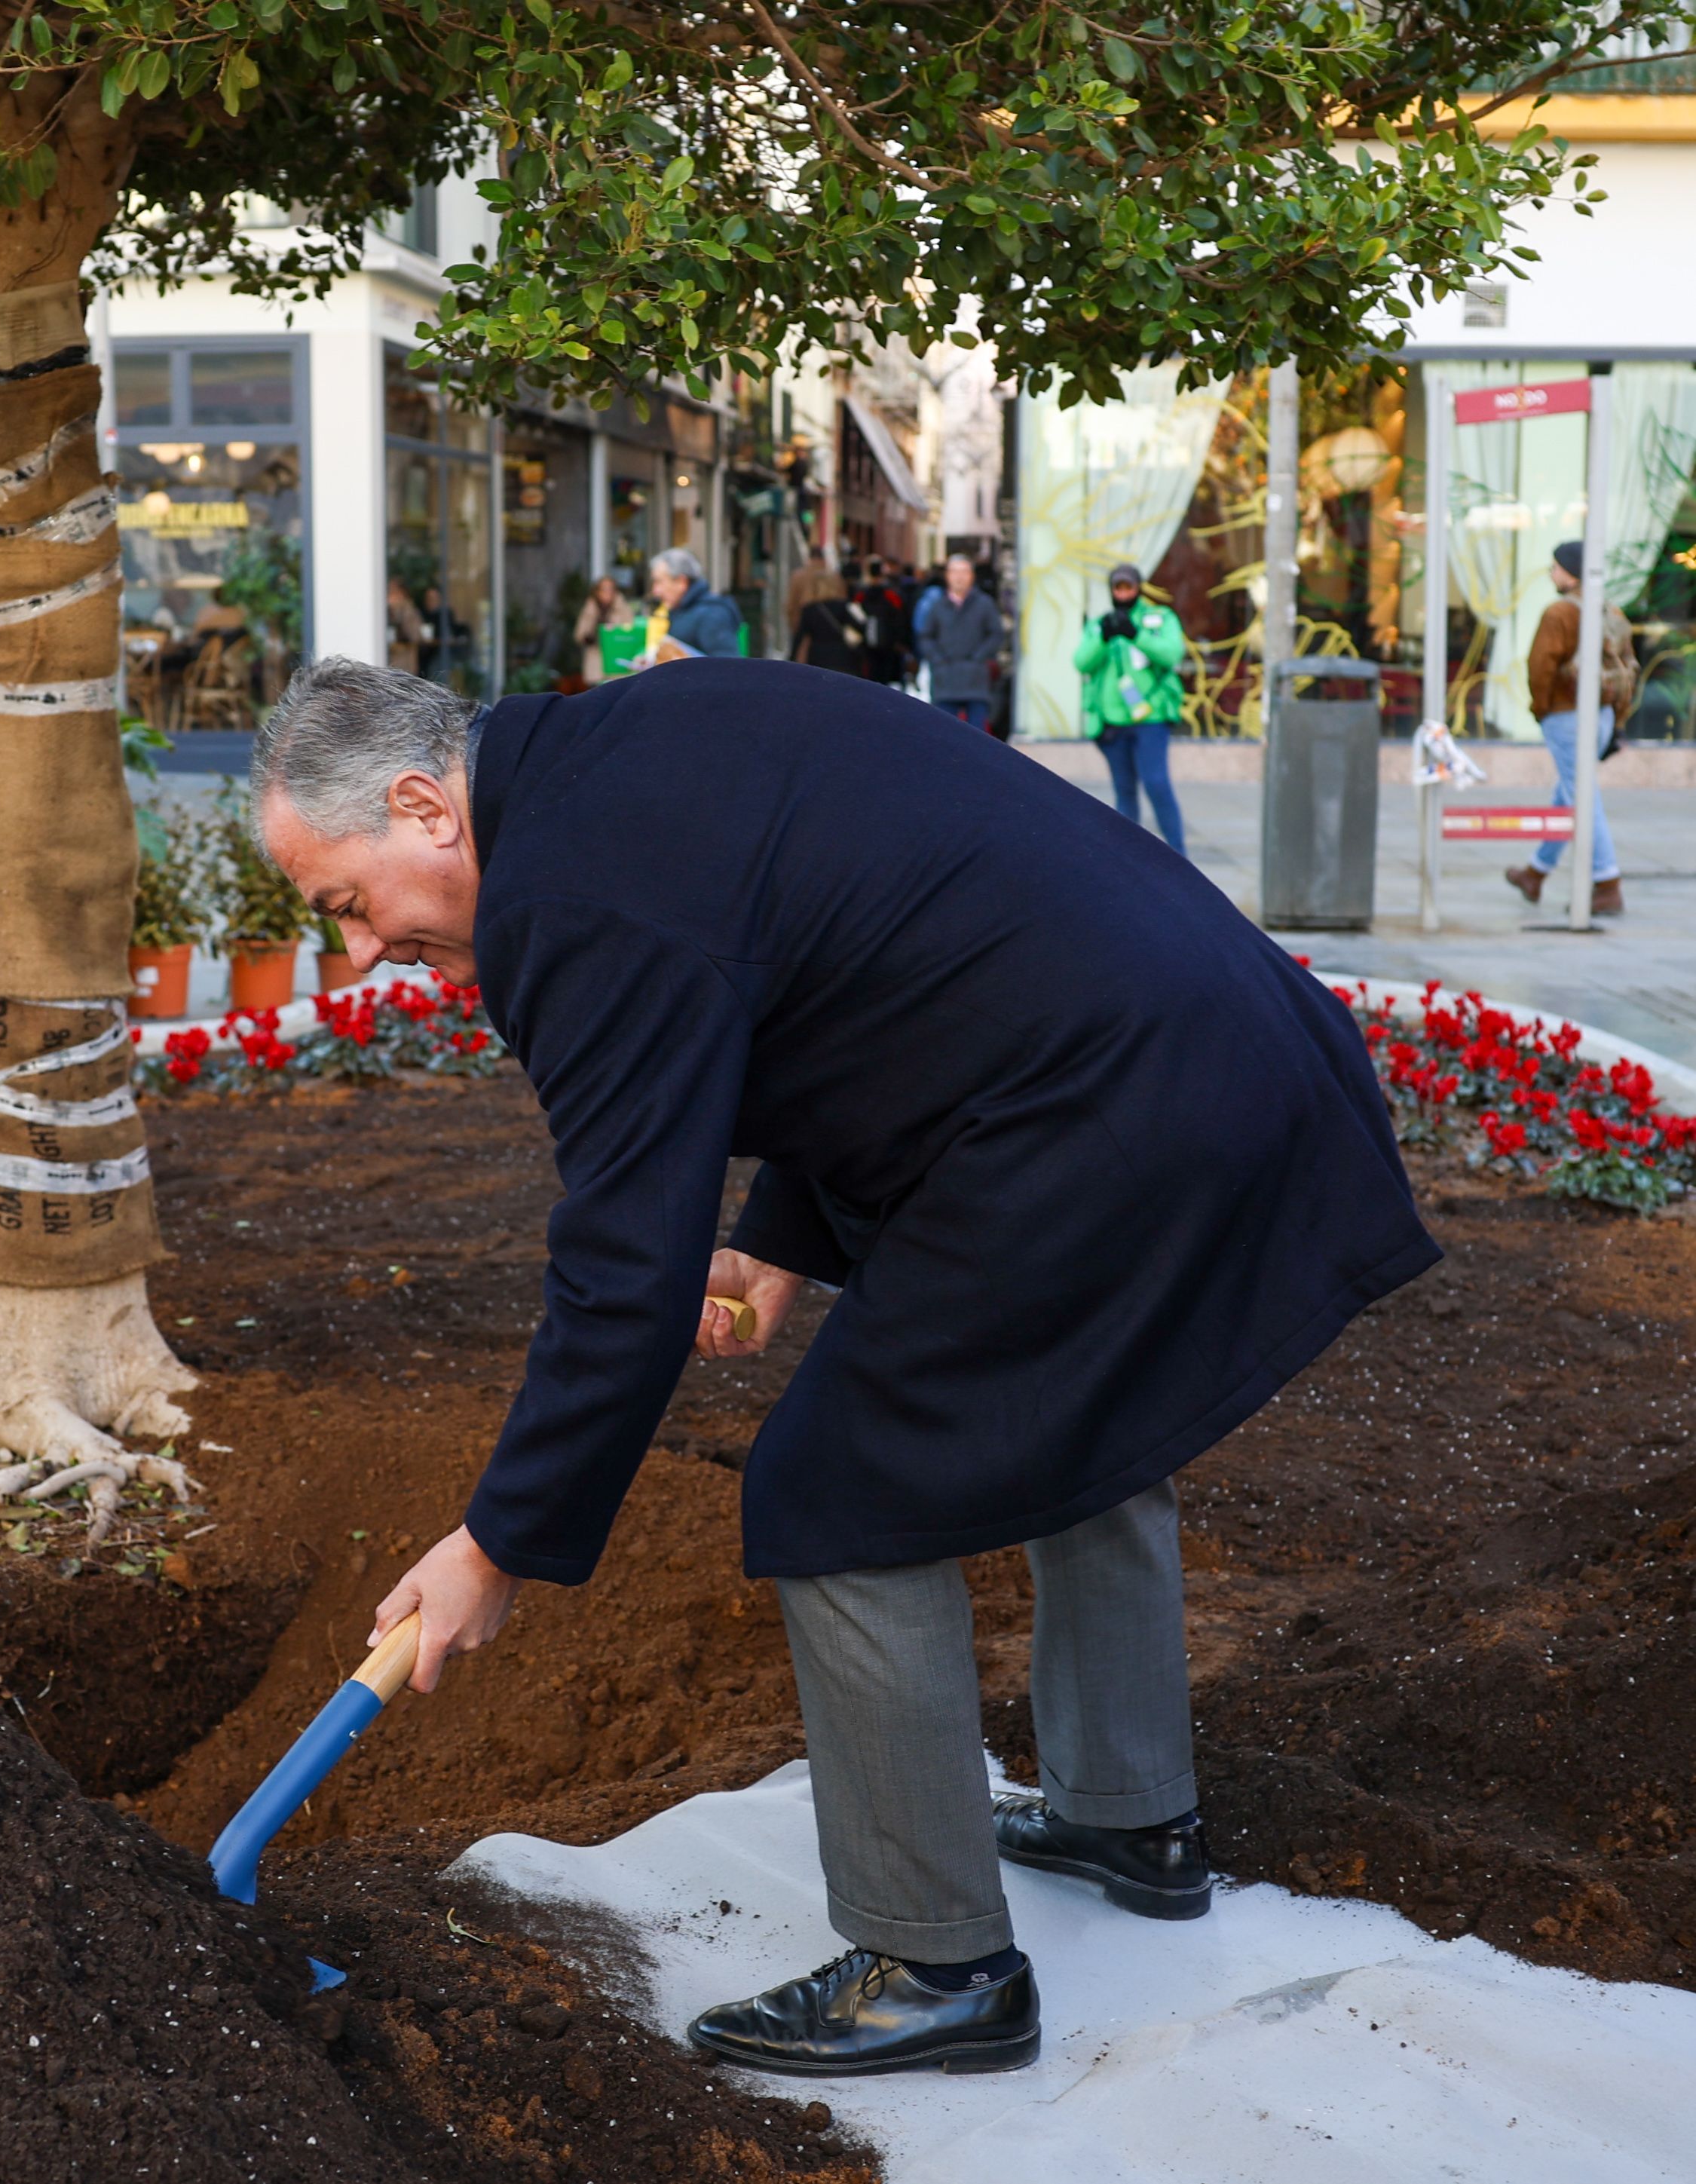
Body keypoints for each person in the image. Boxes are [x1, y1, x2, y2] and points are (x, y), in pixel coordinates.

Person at [252, 655, 1432, 2078]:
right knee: (1063, 1399)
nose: (363, 949)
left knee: (831, 1487)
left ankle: (937, 1964)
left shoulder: (569, 892)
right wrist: (774, 1239)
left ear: (423, 805)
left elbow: (622, 1264)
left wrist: (499, 1543)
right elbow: (843, 965)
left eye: (345, 903)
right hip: (1193, 1040)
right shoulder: (627, 748)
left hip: (1104, 1093)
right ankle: (1129, 1813)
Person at [1511, 539, 1635, 916]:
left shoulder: (1559, 614)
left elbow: (1540, 667)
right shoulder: (1609, 610)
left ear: (1571, 572)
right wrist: (1617, 715)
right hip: (1602, 715)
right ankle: (1536, 873)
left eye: (1556, 566)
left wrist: (1542, 709)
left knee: (1582, 796)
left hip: (1567, 716)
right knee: (1568, 796)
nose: (1552, 572)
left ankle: (1607, 883)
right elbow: (1629, 663)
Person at [1073, 562, 1186, 854]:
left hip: (1151, 716)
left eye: (1129, 587)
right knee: (1124, 791)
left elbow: (1172, 654)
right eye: (1118, 587)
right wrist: (1103, 638)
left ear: (1138, 588)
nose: (1123, 593)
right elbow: (1081, 662)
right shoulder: (1100, 623)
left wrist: (1138, 635)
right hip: (1112, 721)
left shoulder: (1159, 618)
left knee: (1156, 784)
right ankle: (1128, 858)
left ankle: (1179, 854)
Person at [911, 553, 1007, 737]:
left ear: (972, 576)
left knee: (977, 738)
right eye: (955, 572)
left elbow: (996, 634)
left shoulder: (984, 604)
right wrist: (939, 660)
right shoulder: (937, 606)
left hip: (976, 681)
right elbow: (925, 637)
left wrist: (979, 658)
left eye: (964, 572)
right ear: (947, 576)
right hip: (945, 681)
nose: (959, 577)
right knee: (946, 736)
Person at [642, 547, 743, 663]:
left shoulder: (712, 614)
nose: (656, 591)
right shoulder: (680, 610)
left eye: (659, 582)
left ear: (681, 582)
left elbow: (728, 667)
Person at [571, 573, 638, 684]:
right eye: (603, 589)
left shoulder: (622, 607)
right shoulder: (591, 608)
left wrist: (615, 631)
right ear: (597, 591)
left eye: (610, 589)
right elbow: (579, 634)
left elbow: (631, 632)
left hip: (617, 665)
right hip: (596, 662)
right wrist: (590, 634)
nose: (607, 593)